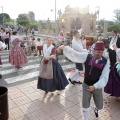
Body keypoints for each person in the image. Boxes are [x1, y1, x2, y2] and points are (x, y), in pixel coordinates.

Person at [57, 41, 109, 120]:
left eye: (102, 52)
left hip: (97, 87)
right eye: (98, 52)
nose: (100, 54)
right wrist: (64, 47)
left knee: (100, 106)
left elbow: (104, 77)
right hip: (86, 85)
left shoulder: (105, 62)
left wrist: (95, 86)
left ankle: (96, 108)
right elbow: (75, 54)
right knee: (85, 106)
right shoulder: (87, 56)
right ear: (94, 50)